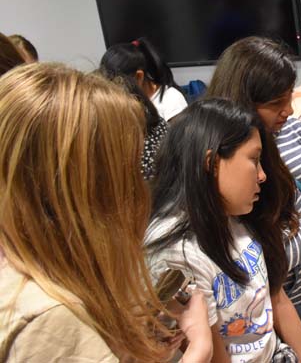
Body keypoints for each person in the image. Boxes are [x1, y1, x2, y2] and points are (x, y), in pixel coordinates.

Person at [0, 63, 211, 362]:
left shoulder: (49, 271)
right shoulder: (49, 322)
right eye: (129, 171)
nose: (139, 186)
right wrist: (200, 347)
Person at [206, 36, 301, 358]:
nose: (288, 111)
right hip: (285, 310)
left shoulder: (295, 131)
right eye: (276, 104)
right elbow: (274, 261)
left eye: (289, 98)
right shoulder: (234, 162)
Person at [145, 98, 301, 363]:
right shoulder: (177, 252)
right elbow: (213, 354)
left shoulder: (238, 215)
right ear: (212, 163)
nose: (262, 175)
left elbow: (276, 297)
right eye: (254, 159)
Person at [100, 36, 187, 120]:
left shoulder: (172, 100)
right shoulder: (126, 102)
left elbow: (179, 134)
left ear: (139, 76)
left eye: (117, 86)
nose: (113, 94)